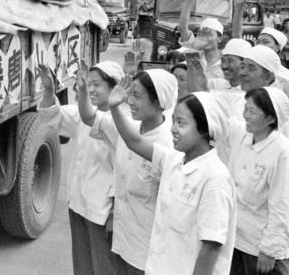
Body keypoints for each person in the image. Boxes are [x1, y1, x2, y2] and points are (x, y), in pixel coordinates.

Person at [108, 84, 236, 275]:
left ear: (204, 129)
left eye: (181, 123)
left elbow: (211, 247)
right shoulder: (173, 160)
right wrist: (114, 108)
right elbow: (134, 142)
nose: (173, 129)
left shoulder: (214, 178)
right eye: (173, 121)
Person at [37, 61, 123, 275]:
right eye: (88, 84)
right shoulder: (82, 114)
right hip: (79, 204)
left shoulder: (122, 124)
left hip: (102, 209)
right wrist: (49, 90)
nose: (91, 89)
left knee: (104, 267)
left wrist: (115, 211)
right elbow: (52, 115)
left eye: (97, 85)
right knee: (83, 266)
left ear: (115, 88)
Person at [90, 69, 177, 274]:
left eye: (137, 96)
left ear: (158, 102)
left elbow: (133, 142)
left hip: (149, 246)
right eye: (130, 95)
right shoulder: (131, 126)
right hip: (122, 237)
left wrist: (114, 107)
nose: (130, 101)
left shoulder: (168, 143)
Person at [229, 87, 289, 275]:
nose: (245, 115)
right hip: (236, 239)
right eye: (245, 108)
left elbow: (282, 204)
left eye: (252, 111)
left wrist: (270, 250)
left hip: (260, 248)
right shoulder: (244, 136)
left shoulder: (282, 152)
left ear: (271, 118)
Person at [178, 0, 225, 82]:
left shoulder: (226, 61)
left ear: (219, 38)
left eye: (208, 34)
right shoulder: (194, 51)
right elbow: (182, 28)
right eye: (201, 34)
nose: (204, 38)